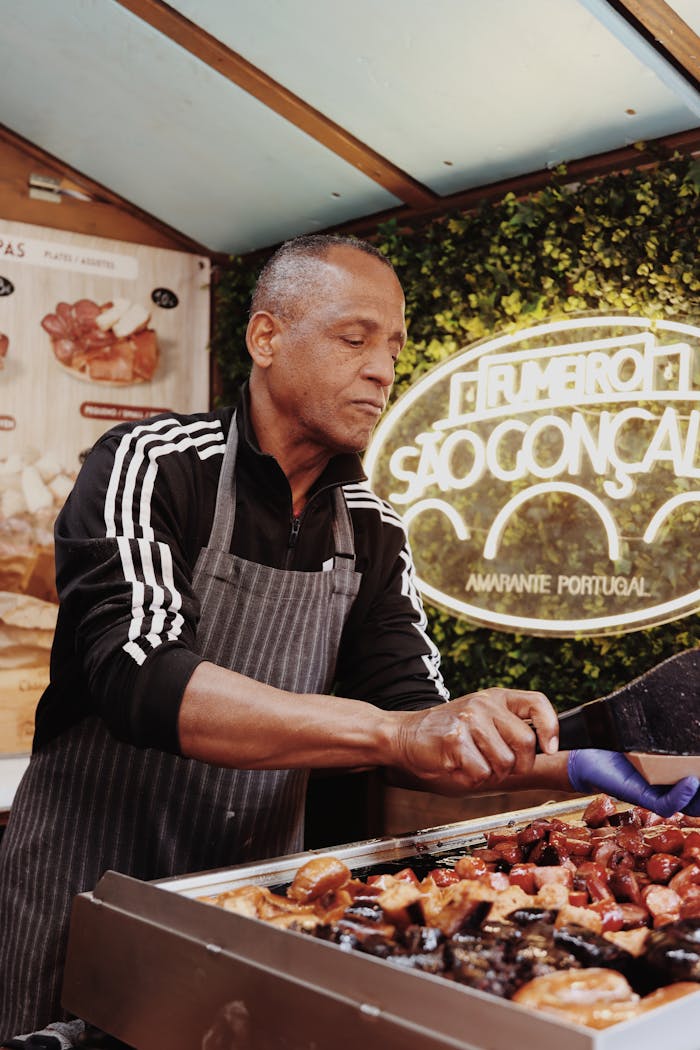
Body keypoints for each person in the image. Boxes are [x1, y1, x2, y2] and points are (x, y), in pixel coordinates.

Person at [0, 235, 697, 1048]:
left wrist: (593, 759)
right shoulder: (150, 465)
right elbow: (144, 679)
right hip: (87, 888)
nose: (382, 370)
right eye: (354, 338)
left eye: (394, 348)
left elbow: (415, 726)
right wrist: (397, 730)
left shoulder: (373, 530)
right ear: (266, 339)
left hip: (259, 906)